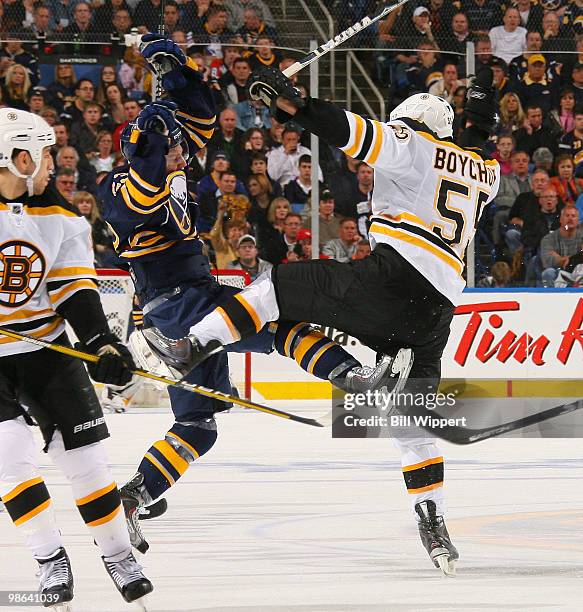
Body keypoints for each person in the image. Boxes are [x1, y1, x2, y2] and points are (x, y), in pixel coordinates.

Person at [146, 66, 502, 576]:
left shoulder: (412, 146)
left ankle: (191, 345)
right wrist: (482, 117)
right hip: (437, 310)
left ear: (410, 123)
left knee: (274, 289)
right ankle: (434, 523)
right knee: (410, 421)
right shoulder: (482, 171)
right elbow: (474, 147)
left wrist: (296, 106)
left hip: (394, 278)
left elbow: (352, 132)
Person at [100, 35, 374, 556]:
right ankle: (349, 375)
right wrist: (157, 126)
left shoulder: (163, 170)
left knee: (198, 427)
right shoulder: (126, 188)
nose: (186, 151)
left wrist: (176, 76)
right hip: (182, 307)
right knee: (277, 324)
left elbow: (198, 122)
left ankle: (134, 496)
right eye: (173, 147)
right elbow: (154, 176)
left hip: (180, 302)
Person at [0, 108, 152, 608]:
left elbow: (76, 293)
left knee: (86, 463)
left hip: (47, 351)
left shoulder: (64, 219)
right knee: (9, 457)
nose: (53, 166)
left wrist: (101, 343)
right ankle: (49, 559)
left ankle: (117, 553)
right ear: (18, 158)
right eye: (44, 155)